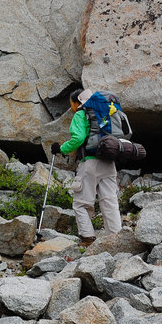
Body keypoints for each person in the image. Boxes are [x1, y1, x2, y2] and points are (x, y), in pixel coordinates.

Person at [51, 88, 122, 246]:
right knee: (109, 200)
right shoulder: (105, 114)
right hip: (109, 163)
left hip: (89, 163)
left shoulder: (81, 114)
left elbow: (79, 138)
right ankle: (115, 238)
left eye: (72, 105)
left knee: (81, 204)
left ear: (78, 102)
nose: (72, 108)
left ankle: (87, 238)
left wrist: (61, 148)